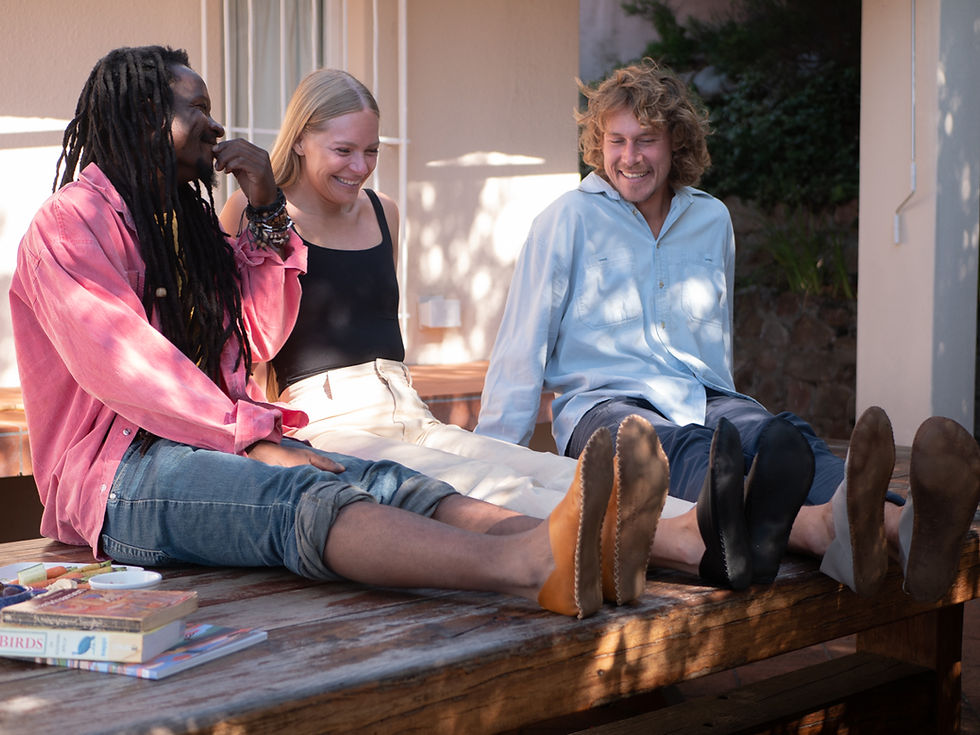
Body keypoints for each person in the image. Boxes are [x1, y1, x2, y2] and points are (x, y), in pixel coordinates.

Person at [8, 46, 672, 620]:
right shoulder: (70, 224)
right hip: (118, 475)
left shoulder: (183, 224)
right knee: (301, 495)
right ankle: (530, 565)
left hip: (212, 440)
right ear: (145, 117)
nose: (214, 124)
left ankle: (591, 551)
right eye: (196, 108)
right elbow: (131, 364)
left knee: (391, 481)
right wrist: (258, 439)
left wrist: (267, 207)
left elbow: (256, 332)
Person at [218, 68, 811, 597]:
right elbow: (245, 347)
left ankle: (708, 526)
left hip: (405, 403)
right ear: (299, 138)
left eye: (370, 151)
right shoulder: (249, 213)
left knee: (544, 469)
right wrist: (267, 443)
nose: (360, 167)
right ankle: (691, 546)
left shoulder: (384, 212)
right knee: (483, 484)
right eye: (343, 150)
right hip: (325, 420)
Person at [476, 59, 980, 601]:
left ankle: (903, 531)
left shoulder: (711, 219)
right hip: (605, 409)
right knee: (690, 451)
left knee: (783, 437)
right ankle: (867, 532)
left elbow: (717, 336)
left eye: (645, 140)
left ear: (676, 144)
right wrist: (487, 472)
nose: (629, 157)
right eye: (615, 141)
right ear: (598, 145)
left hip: (703, 393)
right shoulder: (565, 220)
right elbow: (520, 348)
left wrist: (740, 414)